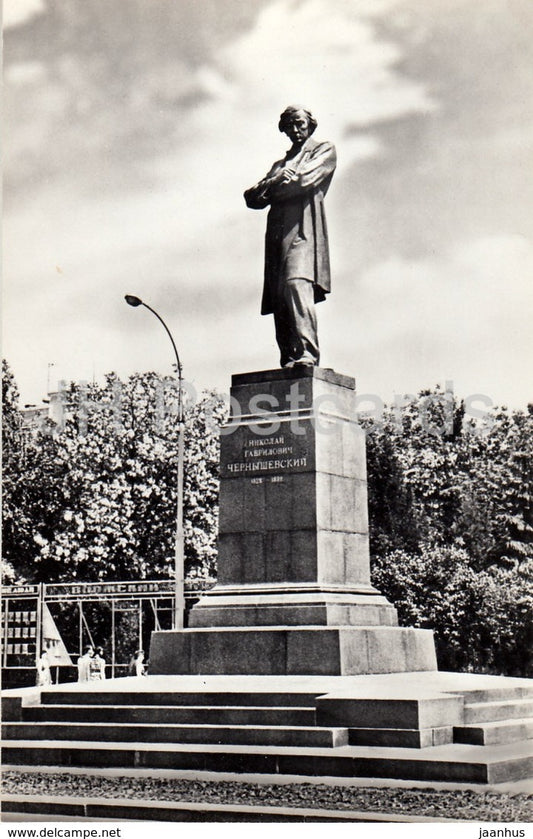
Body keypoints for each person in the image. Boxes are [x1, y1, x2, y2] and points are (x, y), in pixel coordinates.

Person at [244, 106, 336, 368]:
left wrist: (273, 190)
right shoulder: (279, 165)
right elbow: (251, 198)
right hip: (277, 234)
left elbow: (303, 181)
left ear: (310, 124)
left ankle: (308, 352)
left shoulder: (323, 150)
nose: (295, 130)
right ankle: (289, 356)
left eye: (300, 124)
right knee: (280, 294)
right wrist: (274, 181)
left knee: (296, 283)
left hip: (304, 229)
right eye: (289, 127)